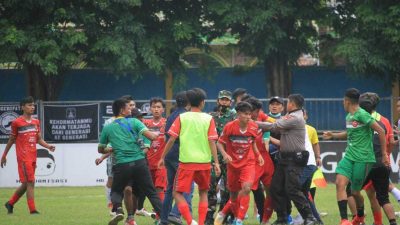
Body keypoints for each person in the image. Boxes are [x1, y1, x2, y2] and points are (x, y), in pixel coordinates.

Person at [323, 88, 389, 225]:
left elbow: (381, 131)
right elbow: (350, 133)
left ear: (346, 101)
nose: (343, 103)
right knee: (339, 183)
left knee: (355, 191)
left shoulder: (362, 115)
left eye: (343, 101)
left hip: (363, 158)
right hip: (349, 156)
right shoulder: (349, 116)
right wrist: (333, 135)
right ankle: (344, 220)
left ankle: (359, 215)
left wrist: (384, 155)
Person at [158, 88, 221, 225]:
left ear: (189, 102)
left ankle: (189, 221)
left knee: (177, 193)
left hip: (186, 163)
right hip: (204, 163)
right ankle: (202, 222)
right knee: (203, 193)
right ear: (203, 102)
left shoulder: (182, 117)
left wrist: (162, 157)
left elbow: (171, 139)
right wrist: (216, 162)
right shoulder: (208, 118)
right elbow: (212, 141)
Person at [98, 98, 161, 225]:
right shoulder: (134, 122)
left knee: (116, 190)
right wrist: (160, 134)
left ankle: (119, 210)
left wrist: (108, 148)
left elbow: (100, 149)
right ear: (122, 110)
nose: (130, 109)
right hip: (139, 163)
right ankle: (164, 215)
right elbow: (152, 137)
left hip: (122, 165)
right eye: (128, 108)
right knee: (151, 192)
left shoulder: (108, 127)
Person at [258, 94, 317, 225]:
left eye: (288, 102)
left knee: (292, 189)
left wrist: (253, 123)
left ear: (293, 104)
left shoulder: (295, 117)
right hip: (284, 159)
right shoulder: (291, 116)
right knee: (276, 187)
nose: (286, 104)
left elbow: (274, 127)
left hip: (294, 159)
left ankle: (309, 217)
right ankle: (282, 218)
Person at [1, 96, 56, 214]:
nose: (32, 107)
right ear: (22, 107)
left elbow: (38, 139)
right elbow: (11, 140)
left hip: (33, 156)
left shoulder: (36, 122)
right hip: (23, 157)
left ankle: (10, 203)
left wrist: (48, 146)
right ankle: (32, 210)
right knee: (31, 182)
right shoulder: (17, 122)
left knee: (26, 183)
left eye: (33, 105)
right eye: (29, 105)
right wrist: (4, 155)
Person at [214, 101, 264, 225]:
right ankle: (235, 217)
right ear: (238, 114)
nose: (249, 117)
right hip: (232, 165)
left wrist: (258, 155)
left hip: (248, 163)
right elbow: (219, 143)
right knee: (234, 195)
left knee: (246, 188)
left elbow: (252, 142)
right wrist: (225, 155)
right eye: (246, 114)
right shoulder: (229, 127)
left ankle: (235, 218)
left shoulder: (253, 126)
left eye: (250, 114)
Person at [359, 92, 397, 225]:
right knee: (383, 198)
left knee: (352, 191)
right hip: (382, 161)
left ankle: (360, 219)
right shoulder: (384, 120)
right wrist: (386, 154)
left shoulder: (359, 119)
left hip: (366, 163)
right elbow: (392, 141)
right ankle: (390, 222)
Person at [159, 91, 194, 225]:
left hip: (169, 155)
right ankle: (175, 213)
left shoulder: (171, 115)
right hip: (181, 155)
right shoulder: (186, 116)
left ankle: (164, 219)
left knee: (170, 189)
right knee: (187, 187)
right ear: (189, 103)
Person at [206, 90, 236, 225]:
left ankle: (223, 217)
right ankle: (208, 217)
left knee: (228, 189)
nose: (224, 102)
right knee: (210, 188)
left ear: (231, 102)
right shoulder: (210, 116)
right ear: (218, 101)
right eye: (222, 99)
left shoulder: (235, 116)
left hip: (228, 158)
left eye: (227, 100)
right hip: (213, 158)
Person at [244, 97, 275, 225]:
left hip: (264, 157)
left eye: (259, 111)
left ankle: (266, 219)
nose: (258, 113)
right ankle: (230, 216)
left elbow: (274, 123)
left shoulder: (261, 116)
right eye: (256, 110)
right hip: (249, 159)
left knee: (272, 190)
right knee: (249, 189)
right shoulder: (240, 119)